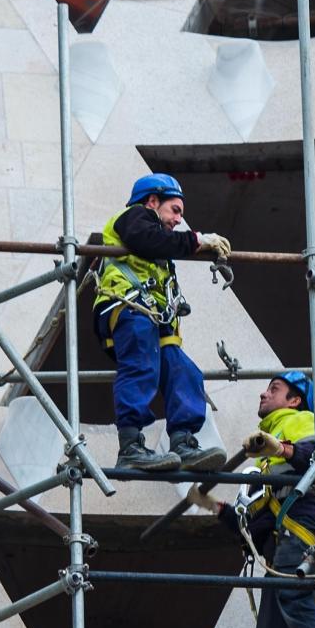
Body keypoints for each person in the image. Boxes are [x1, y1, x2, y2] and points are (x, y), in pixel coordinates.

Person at [187, 372, 315, 628]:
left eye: (274, 389)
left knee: (297, 601)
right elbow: (255, 526)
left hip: (300, 529)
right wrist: (212, 506)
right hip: (280, 541)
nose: (264, 394)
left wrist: (280, 447)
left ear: (294, 399)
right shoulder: (269, 449)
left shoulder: (301, 420)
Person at [95, 173, 231, 472]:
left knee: (184, 371)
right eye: (175, 210)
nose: (178, 220)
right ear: (153, 201)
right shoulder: (134, 217)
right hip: (128, 307)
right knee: (141, 365)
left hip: (153, 316)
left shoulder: (158, 236)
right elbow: (148, 241)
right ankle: (131, 446)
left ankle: (182, 441)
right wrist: (196, 240)